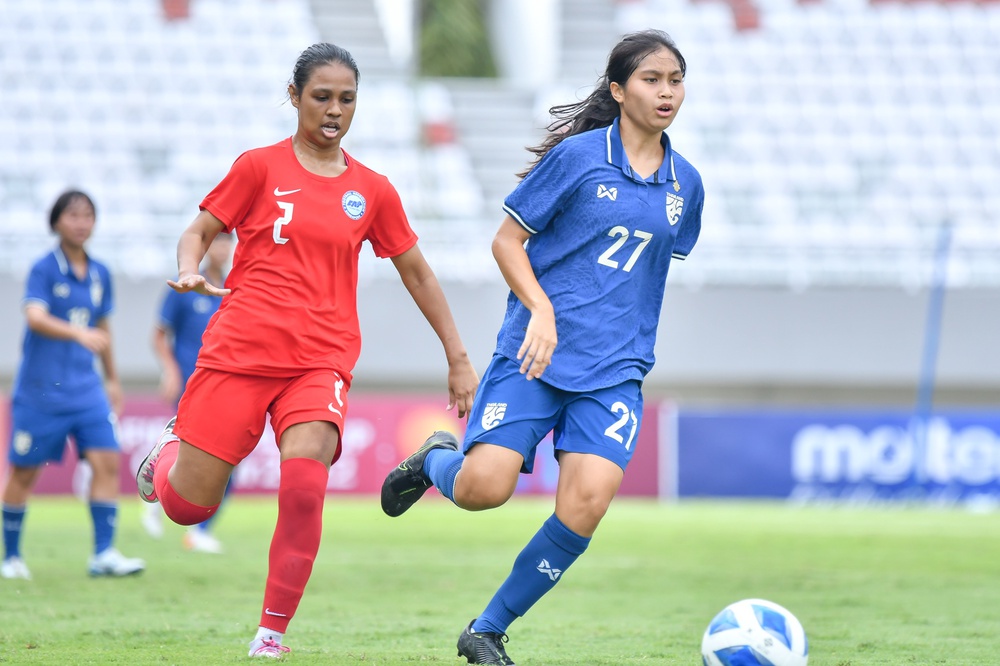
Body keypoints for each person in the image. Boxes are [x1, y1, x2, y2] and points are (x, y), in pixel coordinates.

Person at [134, 42, 479, 659]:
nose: (335, 110)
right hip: (238, 352)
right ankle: (167, 456)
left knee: (305, 476)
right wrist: (188, 267)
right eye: (322, 96)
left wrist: (456, 355)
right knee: (188, 507)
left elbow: (418, 273)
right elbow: (199, 231)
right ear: (294, 98)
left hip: (322, 359)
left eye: (347, 99)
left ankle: (271, 637)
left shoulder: (372, 191)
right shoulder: (258, 168)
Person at [380, 29, 704, 665]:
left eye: (675, 80)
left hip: (615, 373)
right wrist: (543, 308)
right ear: (618, 90)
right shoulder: (579, 158)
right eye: (651, 80)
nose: (666, 92)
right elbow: (506, 241)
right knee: (483, 489)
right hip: (536, 355)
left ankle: (487, 630)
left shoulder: (686, 184)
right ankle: (436, 461)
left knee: (586, 504)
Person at [1, 190, 146, 580]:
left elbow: (103, 329)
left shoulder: (99, 272)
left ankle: (104, 554)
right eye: (73, 215)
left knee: (106, 461)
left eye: (88, 216)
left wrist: (112, 379)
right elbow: (35, 316)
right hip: (40, 392)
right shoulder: (43, 268)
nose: (81, 223)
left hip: (86, 389)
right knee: (24, 474)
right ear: (56, 222)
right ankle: (11, 557)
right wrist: (77, 333)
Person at [143, 233, 235, 553]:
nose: (222, 249)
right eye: (217, 242)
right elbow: (159, 335)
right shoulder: (188, 284)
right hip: (190, 382)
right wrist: (169, 370)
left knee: (229, 458)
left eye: (228, 243)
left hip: (227, 385)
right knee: (195, 451)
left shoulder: (235, 286)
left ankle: (197, 528)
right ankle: (158, 492)